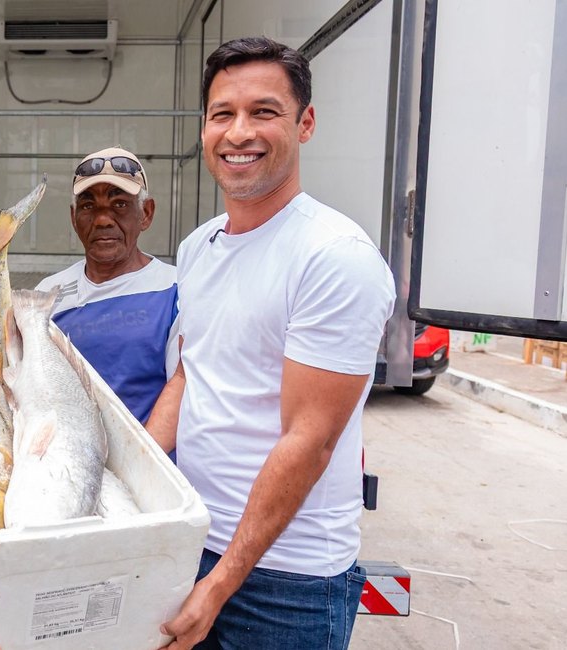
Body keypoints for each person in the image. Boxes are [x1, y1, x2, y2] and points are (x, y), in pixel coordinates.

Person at [146, 37, 396, 649]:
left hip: (288, 580)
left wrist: (222, 582)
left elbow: (309, 440)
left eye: (264, 112)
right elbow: (191, 375)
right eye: (222, 114)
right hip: (193, 542)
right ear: (203, 127)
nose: (239, 133)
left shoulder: (334, 258)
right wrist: (134, 482)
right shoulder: (198, 247)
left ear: (304, 123)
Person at [35, 146, 179, 459]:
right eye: (89, 206)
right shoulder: (48, 294)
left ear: (146, 213)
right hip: (67, 468)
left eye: (120, 204)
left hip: (147, 477)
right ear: (74, 218)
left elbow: (183, 393)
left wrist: (138, 467)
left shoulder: (176, 289)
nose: (103, 219)